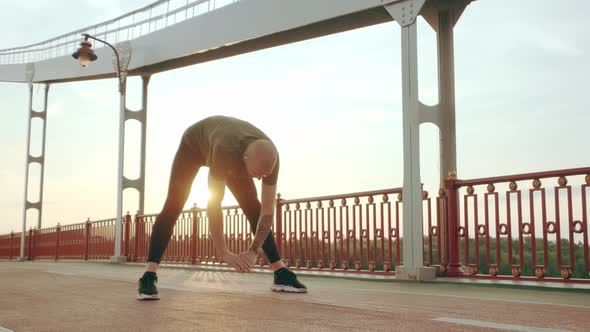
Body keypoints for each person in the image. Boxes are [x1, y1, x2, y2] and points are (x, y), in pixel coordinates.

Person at [137, 115, 307, 300]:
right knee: (173, 205)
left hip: (234, 153)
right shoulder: (225, 150)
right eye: (257, 173)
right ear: (245, 158)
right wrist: (223, 252)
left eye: (263, 175)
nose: (259, 178)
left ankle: (280, 272)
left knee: (253, 207)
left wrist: (253, 251)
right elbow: (214, 203)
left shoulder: (270, 159)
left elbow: (266, 213)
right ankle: (148, 275)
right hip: (193, 146)